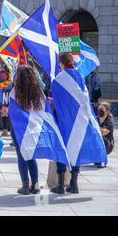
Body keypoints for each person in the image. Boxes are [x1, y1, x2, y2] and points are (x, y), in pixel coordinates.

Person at [50, 52, 106, 195]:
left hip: (64, 120)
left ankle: (61, 184)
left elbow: (56, 102)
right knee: (76, 148)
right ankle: (74, 185)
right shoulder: (80, 76)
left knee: (62, 150)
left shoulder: (58, 79)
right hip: (81, 119)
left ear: (61, 63)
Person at [10, 65, 42, 195]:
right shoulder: (38, 91)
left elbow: (12, 110)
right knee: (31, 155)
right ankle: (35, 185)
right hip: (33, 127)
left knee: (21, 155)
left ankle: (25, 185)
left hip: (18, 127)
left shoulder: (15, 91)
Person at [95, 102, 114, 168]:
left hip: (107, 145)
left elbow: (104, 132)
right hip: (97, 143)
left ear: (107, 110)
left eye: (102, 109)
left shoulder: (109, 121)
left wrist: (95, 125)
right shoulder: (95, 119)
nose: (99, 110)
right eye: (99, 108)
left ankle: (102, 160)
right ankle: (96, 158)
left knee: (102, 139)